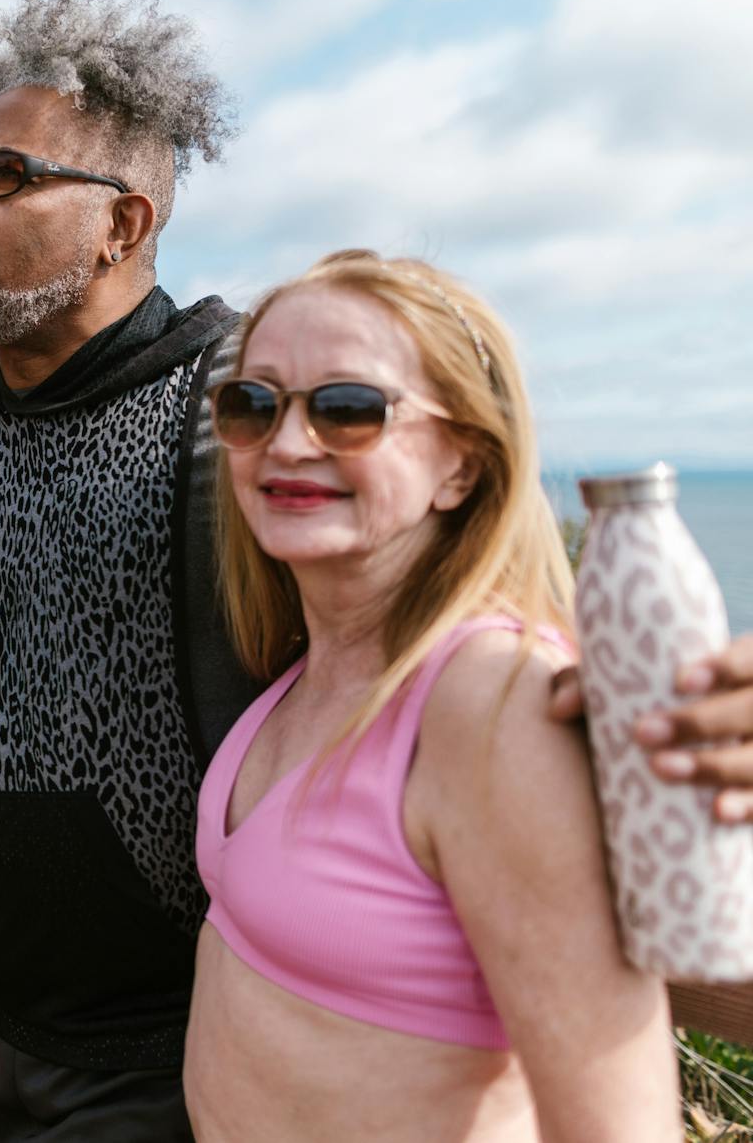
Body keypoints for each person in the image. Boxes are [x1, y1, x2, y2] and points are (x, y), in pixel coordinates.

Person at [0, 0, 753, 1141]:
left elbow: (434, 600)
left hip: (174, 1036)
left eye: (0, 176)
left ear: (121, 222)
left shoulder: (233, 416)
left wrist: (652, 707)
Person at [186, 251, 678, 1141]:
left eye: (348, 408)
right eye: (251, 403)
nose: (289, 442)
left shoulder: (492, 702)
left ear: (461, 464)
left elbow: (621, 1124)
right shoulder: (311, 664)